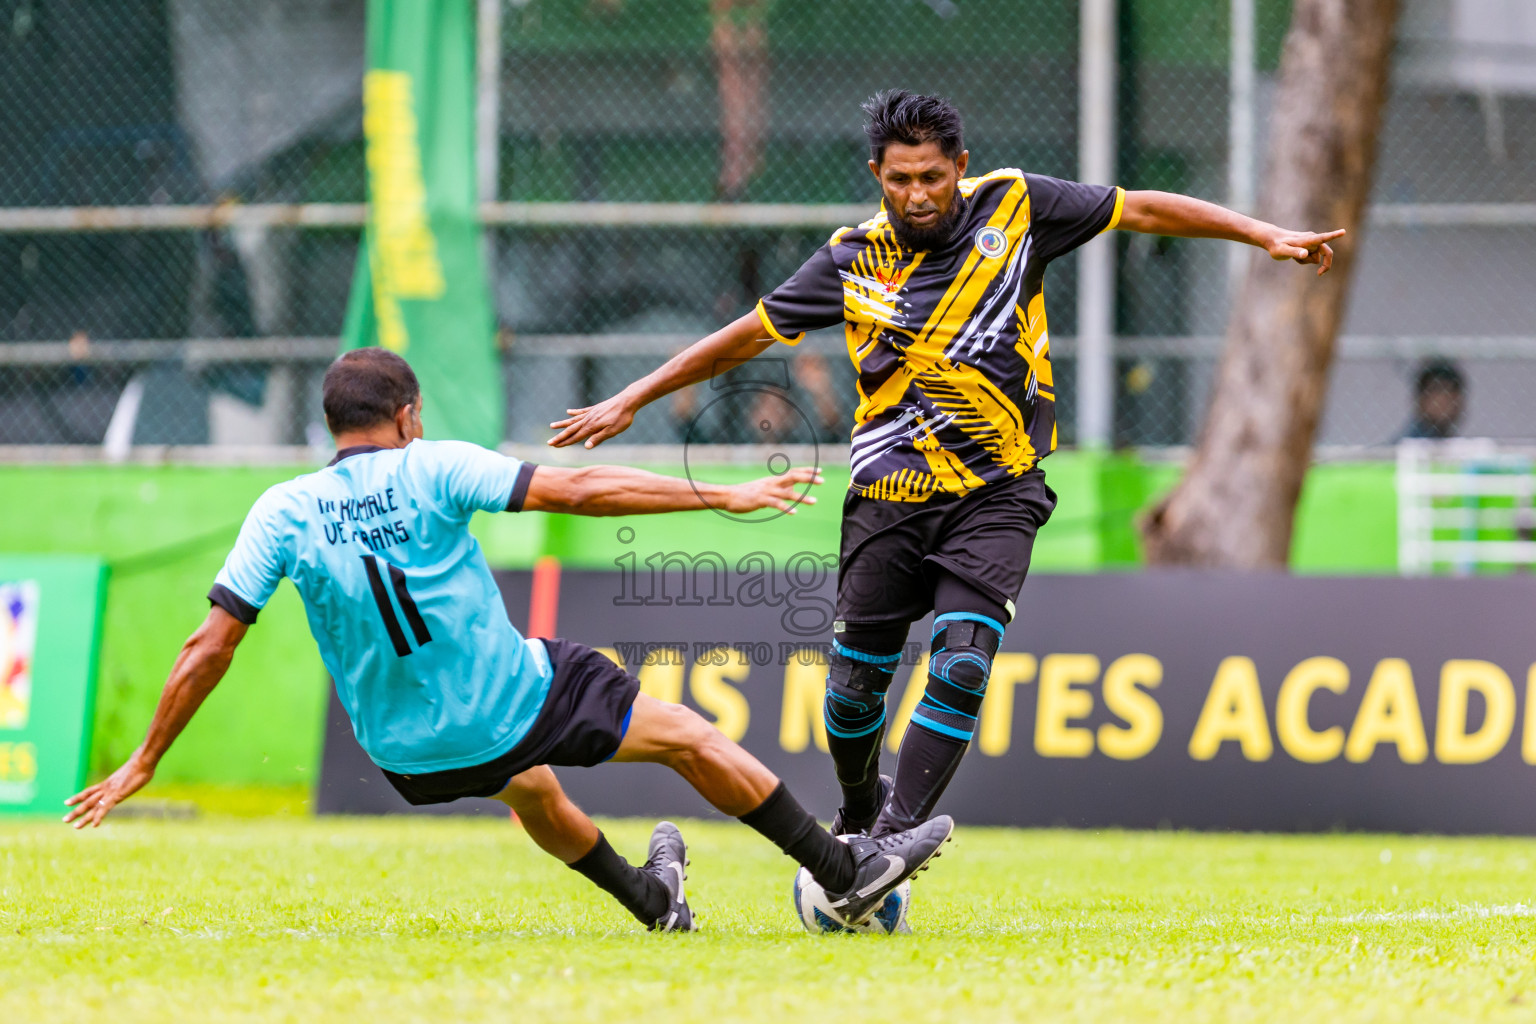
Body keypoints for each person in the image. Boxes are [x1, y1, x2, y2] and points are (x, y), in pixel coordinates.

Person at [548, 90, 1346, 839]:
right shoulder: (853, 259)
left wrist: (1261, 233)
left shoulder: (1018, 205)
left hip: (999, 490)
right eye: (900, 180)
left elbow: (1138, 208)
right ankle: (861, 810)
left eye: (932, 176)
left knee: (963, 663)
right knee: (853, 694)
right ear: (877, 177)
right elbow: (749, 333)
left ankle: (891, 841)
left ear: (961, 165)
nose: (918, 193)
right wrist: (635, 397)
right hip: (886, 497)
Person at [65, 347, 953, 932]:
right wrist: (718, 495)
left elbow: (208, 647)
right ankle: (842, 871)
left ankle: (655, 900)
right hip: (510, 702)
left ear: (333, 427)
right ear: (408, 415)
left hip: (407, 758)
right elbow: (584, 489)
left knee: (528, 787)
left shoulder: (281, 509)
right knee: (686, 737)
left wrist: (146, 760)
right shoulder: (435, 464)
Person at [1402, 359, 1465, 440]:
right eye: (1438, 389)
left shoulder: (1443, 439)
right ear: (1421, 400)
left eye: (1453, 389)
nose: (1446, 398)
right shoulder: (1410, 444)